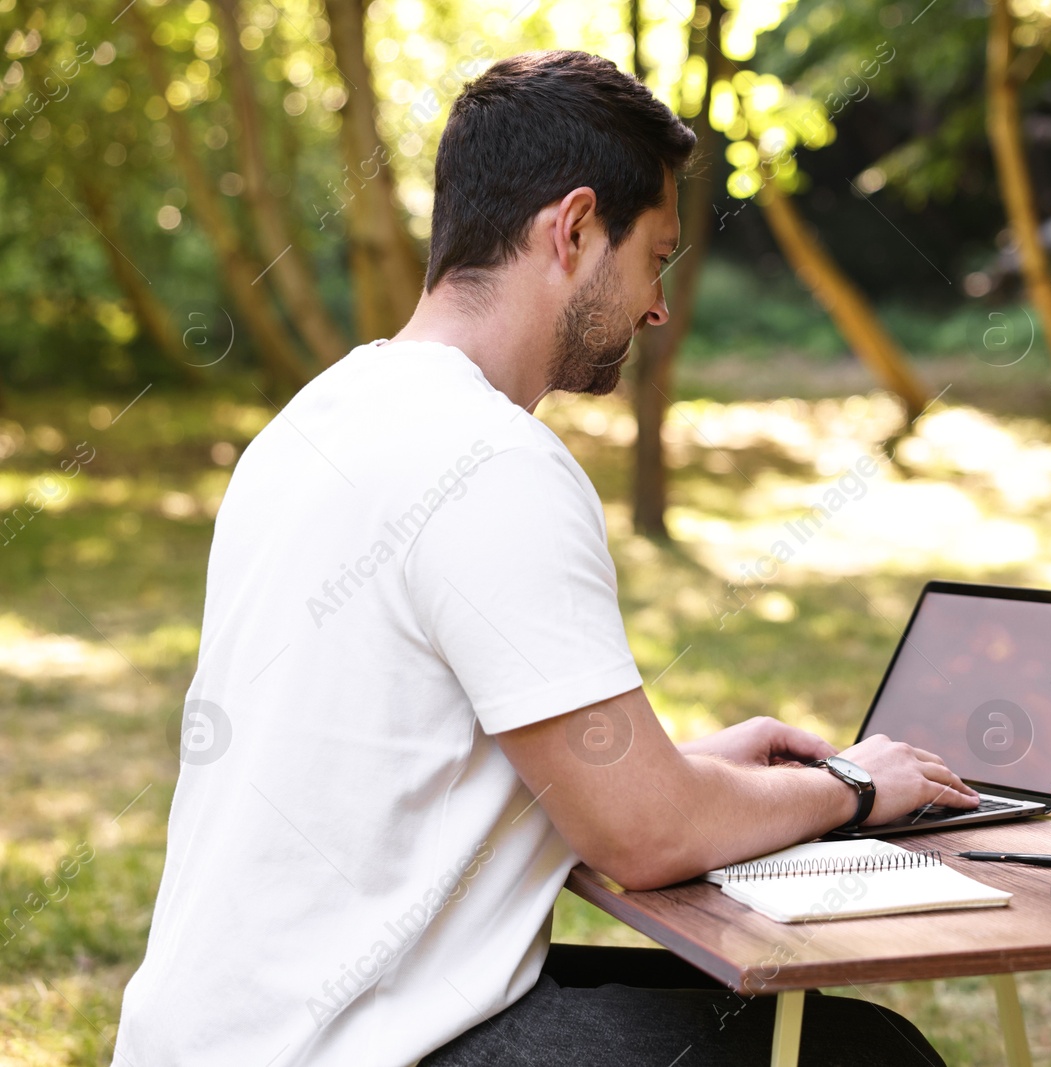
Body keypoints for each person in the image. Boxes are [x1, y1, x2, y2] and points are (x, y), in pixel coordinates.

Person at [113, 49, 979, 1067]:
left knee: (793, 1021)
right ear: (571, 229)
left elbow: (425, 765)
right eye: (654, 254)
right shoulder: (492, 460)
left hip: (215, 1033)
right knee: (862, 1056)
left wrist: (688, 768)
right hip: (346, 1044)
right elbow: (643, 837)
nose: (658, 305)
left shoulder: (319, 419)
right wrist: (852, 782)